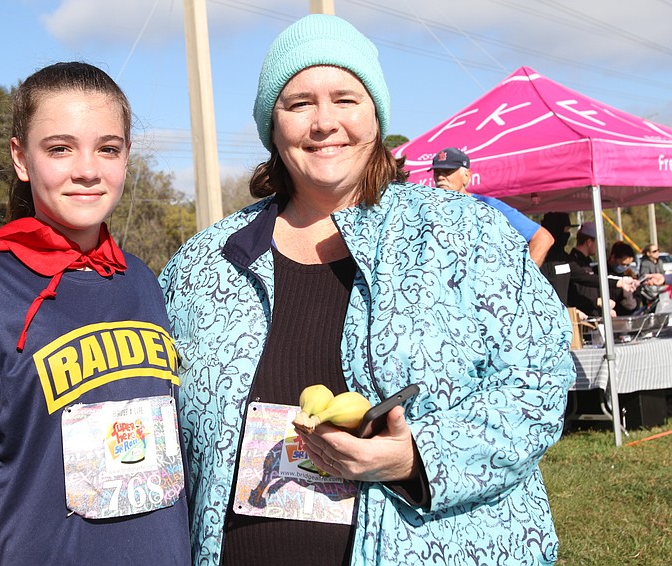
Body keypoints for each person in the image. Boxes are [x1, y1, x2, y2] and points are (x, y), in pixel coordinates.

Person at [159, 14, 575, 566]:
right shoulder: (204, 264)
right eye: (299, 102)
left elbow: (540, 380)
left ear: (375, 117)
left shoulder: (463, 234)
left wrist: (415, 458)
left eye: (345, 99)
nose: (324, 122)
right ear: (271, 124)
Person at [0, 62, 190, 565]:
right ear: (21, 158)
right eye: (60, 148)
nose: (88, 169)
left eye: (108, 148)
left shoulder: (141, 280)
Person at [430, 147, 554, 266]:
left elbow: (542, 238)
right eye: (437, 172)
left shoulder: (487, 205)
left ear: (466, 175)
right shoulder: (431, 210)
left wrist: (525, 281)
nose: (440, 177)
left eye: (447, 172)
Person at [567, 222, 638, 317]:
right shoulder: (574, 263)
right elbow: (585, 281)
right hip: (583, 317)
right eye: (598, 242)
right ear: (589, 242)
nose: (599, 247)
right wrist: (598, 301)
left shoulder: (586, 261)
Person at [539, 212, 576, 307]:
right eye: (566, 230)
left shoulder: (564, 257)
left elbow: (582, 275)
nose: (568, 234)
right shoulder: (540, 257)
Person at [607, 241, 639, 315]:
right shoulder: (602, 273)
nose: (625, 267)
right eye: (623, 264)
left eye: (628, 265)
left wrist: (630, 299)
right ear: (613, 258)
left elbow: (637, 299)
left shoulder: (631, 275)